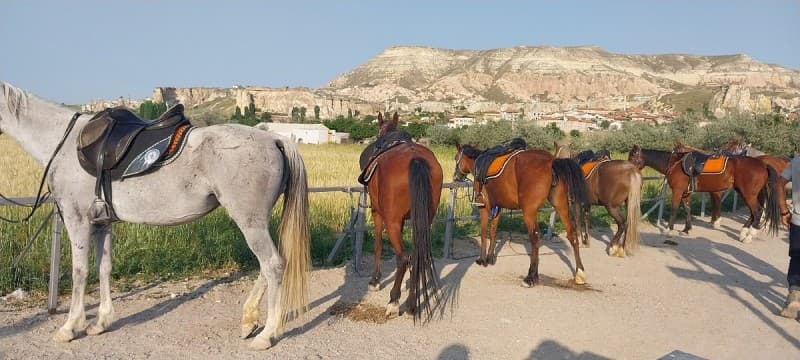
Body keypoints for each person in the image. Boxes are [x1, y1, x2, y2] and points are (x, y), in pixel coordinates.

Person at [780, 156, 800, 319]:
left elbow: (779, 183)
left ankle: (794, 296)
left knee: (796, 258)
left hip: (798, 220)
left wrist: (784, 210)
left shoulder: (797, 161)